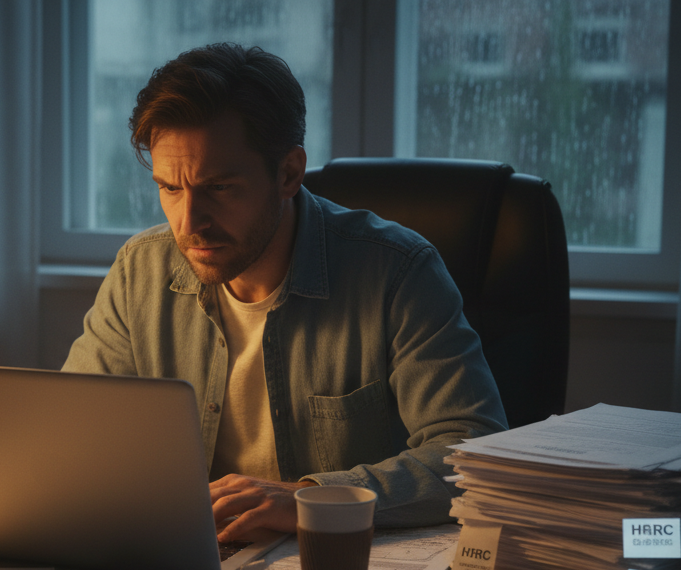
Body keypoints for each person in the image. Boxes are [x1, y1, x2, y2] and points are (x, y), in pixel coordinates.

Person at [62, 43, 506, 543]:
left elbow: (473, 452)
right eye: (170, 188)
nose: (190, 223)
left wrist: (313, 499)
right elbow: (76, 438)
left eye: (220, 187)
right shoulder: (139, 271)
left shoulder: (397, 273)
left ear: (289, 173)